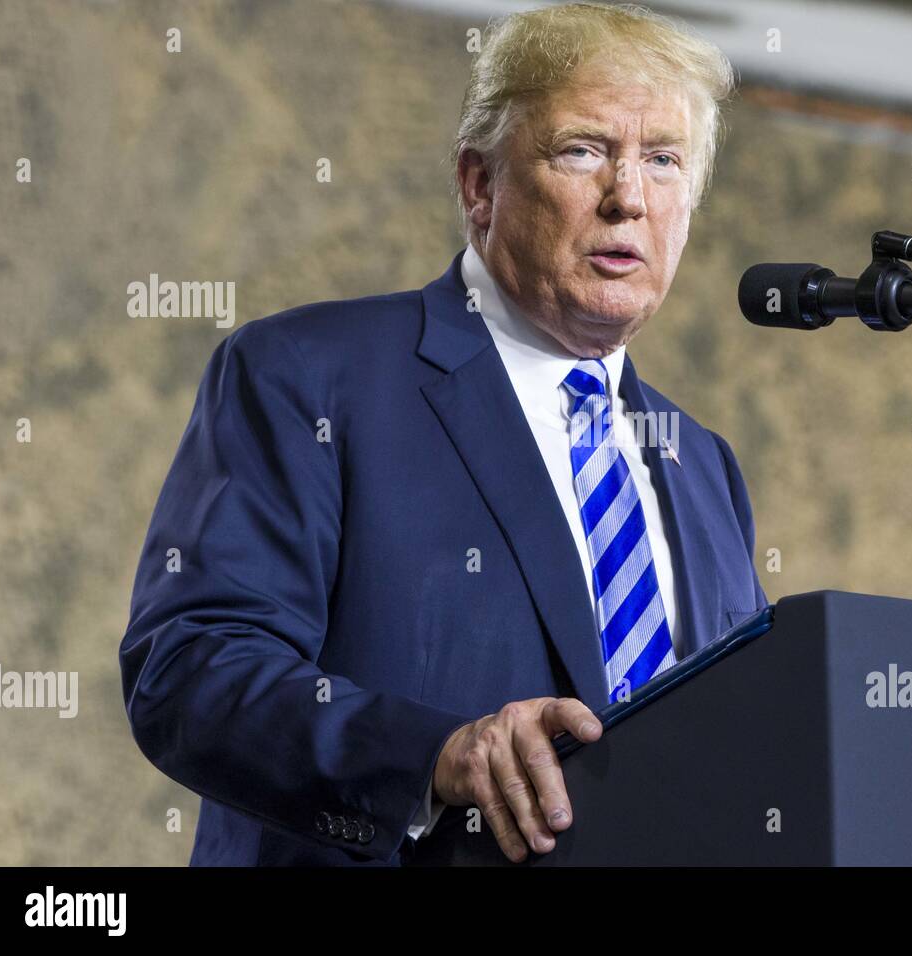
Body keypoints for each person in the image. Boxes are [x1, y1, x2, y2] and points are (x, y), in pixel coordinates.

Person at [119, 1, 767, 866]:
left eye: (663, 161)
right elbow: (190, 672)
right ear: (478, 184)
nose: (628, 198)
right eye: (583, 150)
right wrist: (431, 756)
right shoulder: (306, 375)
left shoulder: (703, 466)